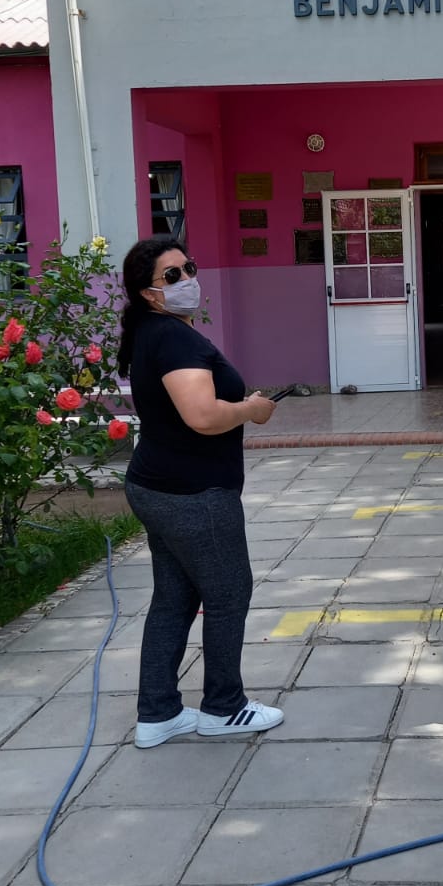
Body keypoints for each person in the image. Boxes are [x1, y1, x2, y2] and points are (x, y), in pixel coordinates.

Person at [118, 235, 284, 748]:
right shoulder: (174, 338)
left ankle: (159, 713)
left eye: (187, 267)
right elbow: (203, 415)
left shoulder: (154, 332)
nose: (187, 279)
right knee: (229, 593)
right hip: (192, 493)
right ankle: (223, 708)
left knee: (174, 597)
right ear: (149, 292)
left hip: (157, 485)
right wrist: (252, 409)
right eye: (171, 275)